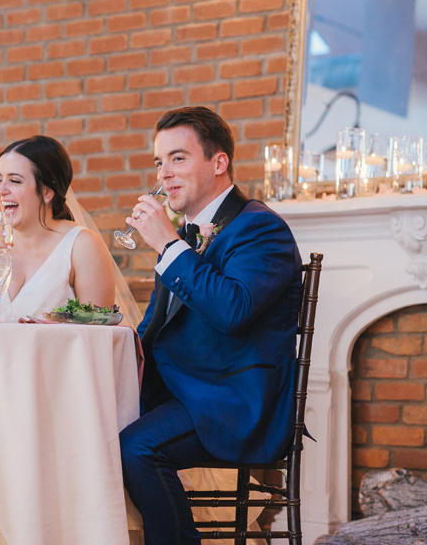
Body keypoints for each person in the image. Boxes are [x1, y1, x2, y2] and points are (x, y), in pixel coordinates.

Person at [118, 107, 302, 545]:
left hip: (237, 403)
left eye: (178, 158)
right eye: (159, 162)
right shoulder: (186, 232)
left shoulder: (261, 229)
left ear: (219, 163)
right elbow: (156, 324)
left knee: (136, 447)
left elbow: (233, 310)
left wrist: (167, 244)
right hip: (190, 392)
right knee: (85, 426)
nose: (164, 174)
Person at [0, 135, 119, 321]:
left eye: (15, 181)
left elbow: (97, 334)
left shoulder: (81, 244)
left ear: (47, 192)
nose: (1, 191)